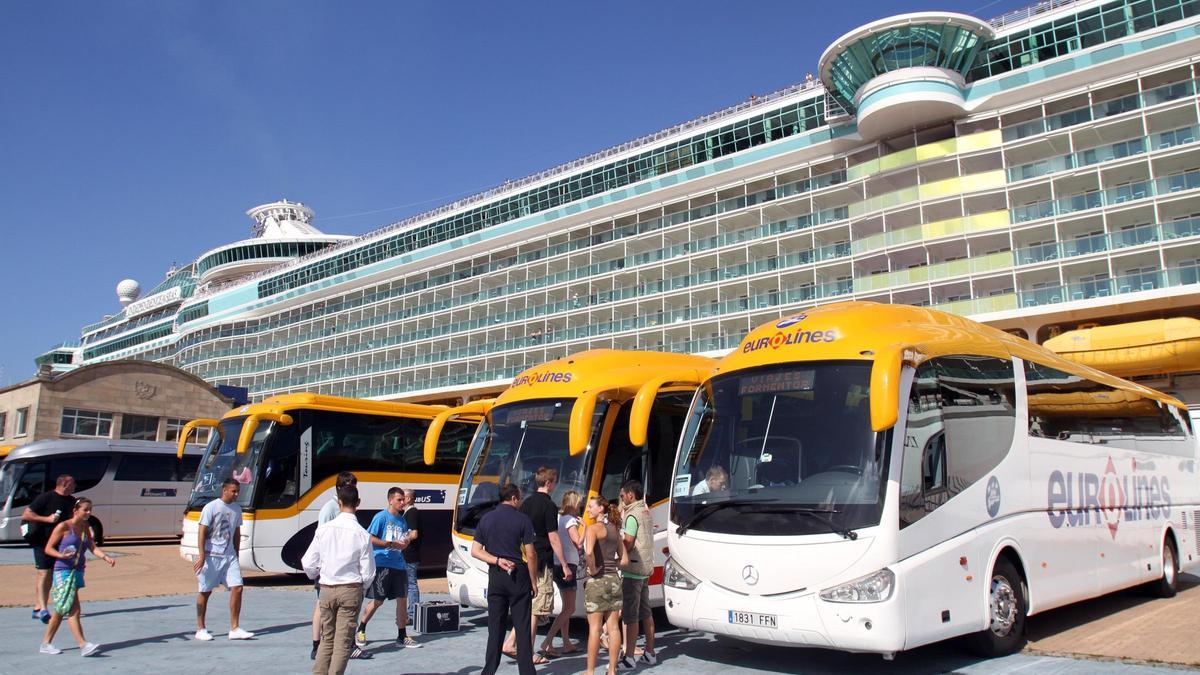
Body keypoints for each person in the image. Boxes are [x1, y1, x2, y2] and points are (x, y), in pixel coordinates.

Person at [302, 483, 376, 675]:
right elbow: (368, 572)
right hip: (350, 588)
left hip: (327, 587)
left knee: (327, 639)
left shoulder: (324, 530)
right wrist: (361, 587)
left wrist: (317, 574)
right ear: (358, 503)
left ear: (339, 502)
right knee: (343, 643)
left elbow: (308, 562)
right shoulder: (362, 533)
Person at [503, 466, 568, 665]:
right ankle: (527, 652)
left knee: (529, 605)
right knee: (537, 609)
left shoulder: (526, 503)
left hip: (524, 559)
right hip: (542, 560)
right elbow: (553, 537)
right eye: (555, 481)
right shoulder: (549, 506)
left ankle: (511, 642)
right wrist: (564, 564)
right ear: (548, 483)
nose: (555, 485)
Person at [472, 483, 538, 675]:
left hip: (496, 576)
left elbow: (476, 551)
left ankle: (489, 670)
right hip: (518, 577)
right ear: (514, 498)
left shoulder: (486, 519)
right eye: (520, 497)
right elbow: (531, 554)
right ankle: (527, 671)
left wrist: (497, 560)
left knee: (495, 628)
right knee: (522, 627)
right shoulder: (523, 520)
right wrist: (534, 582)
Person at [39, 497, 115, 656]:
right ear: (75, 510)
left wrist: (105, 557)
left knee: (61, 609)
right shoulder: (64, 526)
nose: (88, 512)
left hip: (77, 570)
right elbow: (48, 548)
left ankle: (46, 643)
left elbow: (92, 547)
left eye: (90, 510)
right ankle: (83, 645)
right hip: (63, 571)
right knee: (73, 609)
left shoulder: (85, 526)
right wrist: (61, 555)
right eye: (85, 509)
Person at [356, 487, 418, 649]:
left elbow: (404, 539)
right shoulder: (381, 517)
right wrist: (389, 544)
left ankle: (402, 635)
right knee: (378, 600)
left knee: (402, 600)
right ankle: (361, 628)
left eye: (404, 499)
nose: (403, 502)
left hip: (399, 564)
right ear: (390, 500)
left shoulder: (402, 520)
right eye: (399, 499)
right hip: (382, 564)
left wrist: (406, 542)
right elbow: (369, 537)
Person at [194, 478, 254, 641]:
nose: (236, 494)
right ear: (225, 490)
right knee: (205, 591)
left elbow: (236, 532)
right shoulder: (211, 507)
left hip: (229, 556)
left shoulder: (236, 509)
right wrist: (201, 556)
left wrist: (236, 554)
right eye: (233, 491)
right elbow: (201, 531)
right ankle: (201, 628)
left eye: (237, 491)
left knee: (238, 587)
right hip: (211, 555)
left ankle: (234, 628)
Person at [311, 472, 362, 660]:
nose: (353, 488)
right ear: (340, 487)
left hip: (334, 569)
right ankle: (319, 645)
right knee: (324, 608)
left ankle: (322, 646)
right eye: (350, 485)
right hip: (330, 568)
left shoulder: (340, 508)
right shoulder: (330, 508)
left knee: (325, 607)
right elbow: (321, 539)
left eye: (354, 485)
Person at [22, 474, 76, 624]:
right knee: (44, 573)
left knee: (51, 575)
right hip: (41, 541)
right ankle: (43, 610)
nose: (75, 486)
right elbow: (27, 514)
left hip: (59, 544)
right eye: (73, 484)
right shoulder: (46, 498)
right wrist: (47, 519)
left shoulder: (72, 501)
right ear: (64, 484)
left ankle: (37, 607)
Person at [583, 495, 625, 675]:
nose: (588, 509)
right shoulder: (615, 530)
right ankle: (613, 670)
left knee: (594, 628)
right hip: (614, 580)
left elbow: (588, 552)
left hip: (597, 582)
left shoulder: (593, 529)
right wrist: (611, 565)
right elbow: (623, 560)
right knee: (613, 627)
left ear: (601, 508)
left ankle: (590, 671)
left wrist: (592, 569)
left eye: (591, 506)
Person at [618, 480, 656, 668]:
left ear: (631, 495)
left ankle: (629, 657)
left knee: (630, 616)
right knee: (646, 612)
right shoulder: (646, 512)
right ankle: (650, 652)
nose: (621, 498)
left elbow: (629, 541)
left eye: (623, 495)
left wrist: (618, 549)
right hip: (645, 568)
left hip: (633, 571)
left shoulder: (632, 515)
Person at [541, 489, 583, 657]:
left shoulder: (559, 518)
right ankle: (547, 641)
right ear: (574, 503)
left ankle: (566, 642)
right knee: (570, 608)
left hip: (557, 563)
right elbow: (578, 543)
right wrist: (585, 527)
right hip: (568, 565)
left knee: (566, 607)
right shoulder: (570, 521)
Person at [401, 488, 422, 625]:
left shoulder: (412, 513)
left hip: (410, 554)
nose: (401, 500)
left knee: (411, 584)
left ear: (408, 499)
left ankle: (413, 614)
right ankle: (411, 612)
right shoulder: (407, 513)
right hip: (408, 554)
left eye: (403, 497)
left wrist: (401, 539)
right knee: (409, 584)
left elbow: (414, 534)